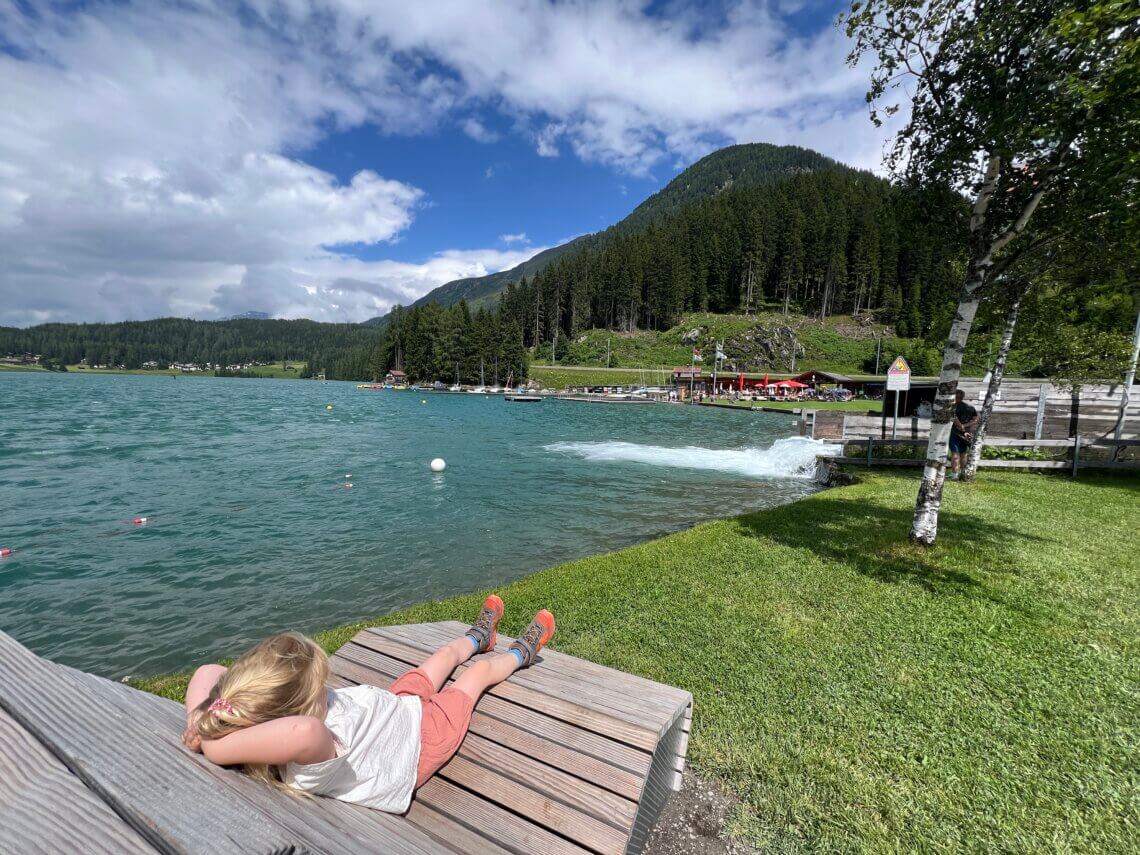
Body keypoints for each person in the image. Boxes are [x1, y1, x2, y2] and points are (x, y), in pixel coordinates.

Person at [182, 597, 554, 812]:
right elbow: (303, 729)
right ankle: (521, 652)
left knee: (443, 656)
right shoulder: (310, 747)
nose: (325, 688)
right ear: (295, 707)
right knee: (476, 676)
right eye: (319, 689)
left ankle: (479, 636)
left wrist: (202, 720)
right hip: (420, 740)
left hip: (392, 710)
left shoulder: (264, 717)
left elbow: (207, 670)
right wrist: (215, 746)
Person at [948, 389, 978, 479]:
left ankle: (954, 475)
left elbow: (955, 420)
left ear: (955, 397)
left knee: (955, 454)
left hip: (955, 433)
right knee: (963, 453)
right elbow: (976, 419)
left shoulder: (952, 407)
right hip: (967, 433)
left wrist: (962, 426)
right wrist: (965, 426)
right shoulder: (970, 407)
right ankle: (963, 472)